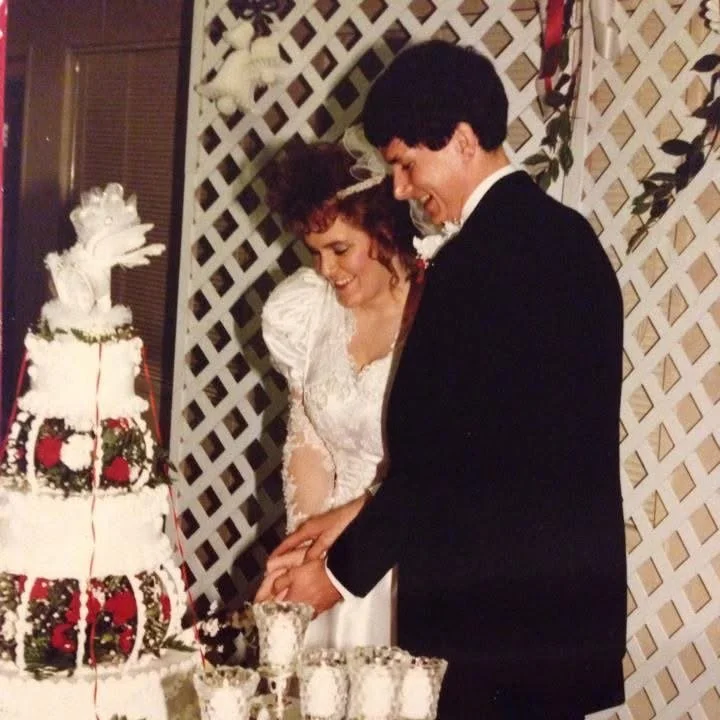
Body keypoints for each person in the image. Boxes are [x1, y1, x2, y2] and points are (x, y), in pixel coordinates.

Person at [264, 40, 627, 719]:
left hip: (488, 631)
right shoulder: (573, 242)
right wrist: (354, 512)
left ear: (462, 140)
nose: (401, 188)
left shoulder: (473, 267)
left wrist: (336, 579)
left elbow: (442, 467)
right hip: (564, 630)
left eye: (406, 163)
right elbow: (499, 448)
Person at [255, 140, 419, 650]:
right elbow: (309, 447)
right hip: (327, 557)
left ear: (384, 232)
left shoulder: (439, 313)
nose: (326, 270)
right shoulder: (305, 314)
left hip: (411, 562)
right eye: (315, 252)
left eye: (340, 249)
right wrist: (308, 550)